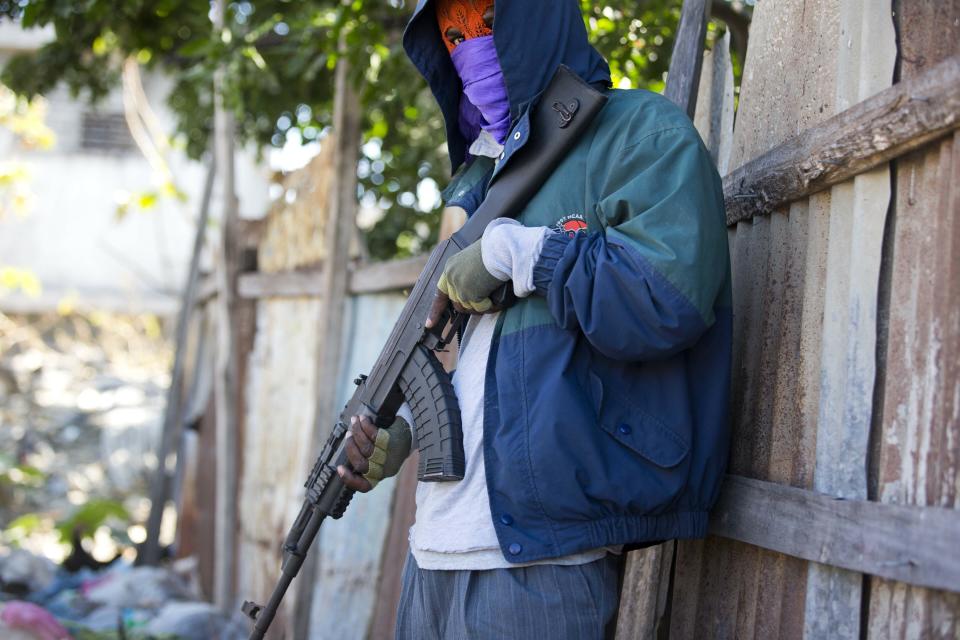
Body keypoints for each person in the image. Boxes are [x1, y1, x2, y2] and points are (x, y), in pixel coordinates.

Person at [338, 0, 732, 637]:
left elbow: (670, 301)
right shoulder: (480, 184)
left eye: (488, 24)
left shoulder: (640, 132)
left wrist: (518, 252)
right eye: (454, 35)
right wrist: (404, 435)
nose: (472, 51)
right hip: (433, 551)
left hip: (544, 563)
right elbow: (489, 367)